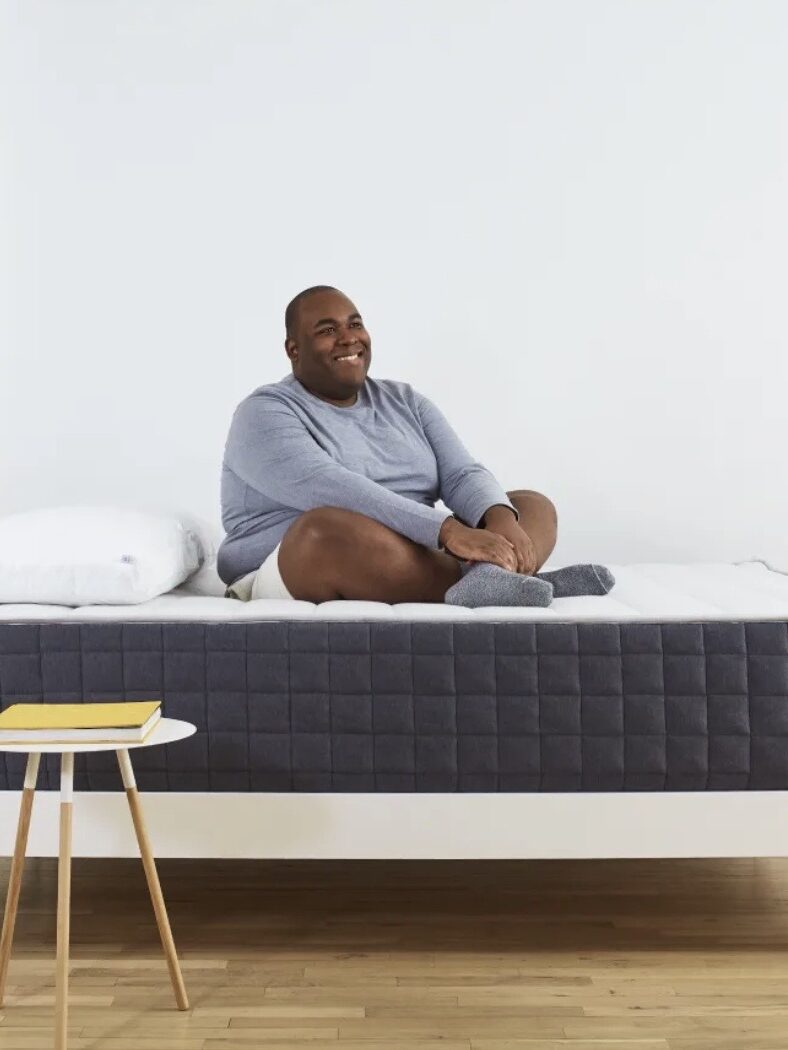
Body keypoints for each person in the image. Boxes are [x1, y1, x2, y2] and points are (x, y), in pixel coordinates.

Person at [217, 285, 614, 605]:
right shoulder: (263, 413)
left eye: (355, 324)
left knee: (529, 505)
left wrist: (499, 520)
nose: (348, 338)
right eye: (327, 330)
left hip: (414, 549)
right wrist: (446, 531)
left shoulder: (404, 400)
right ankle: (501, 582)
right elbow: (332, 487)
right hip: (301, 559)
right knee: (323, 529)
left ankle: (492, 582)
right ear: (294, 350)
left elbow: (461, 472)